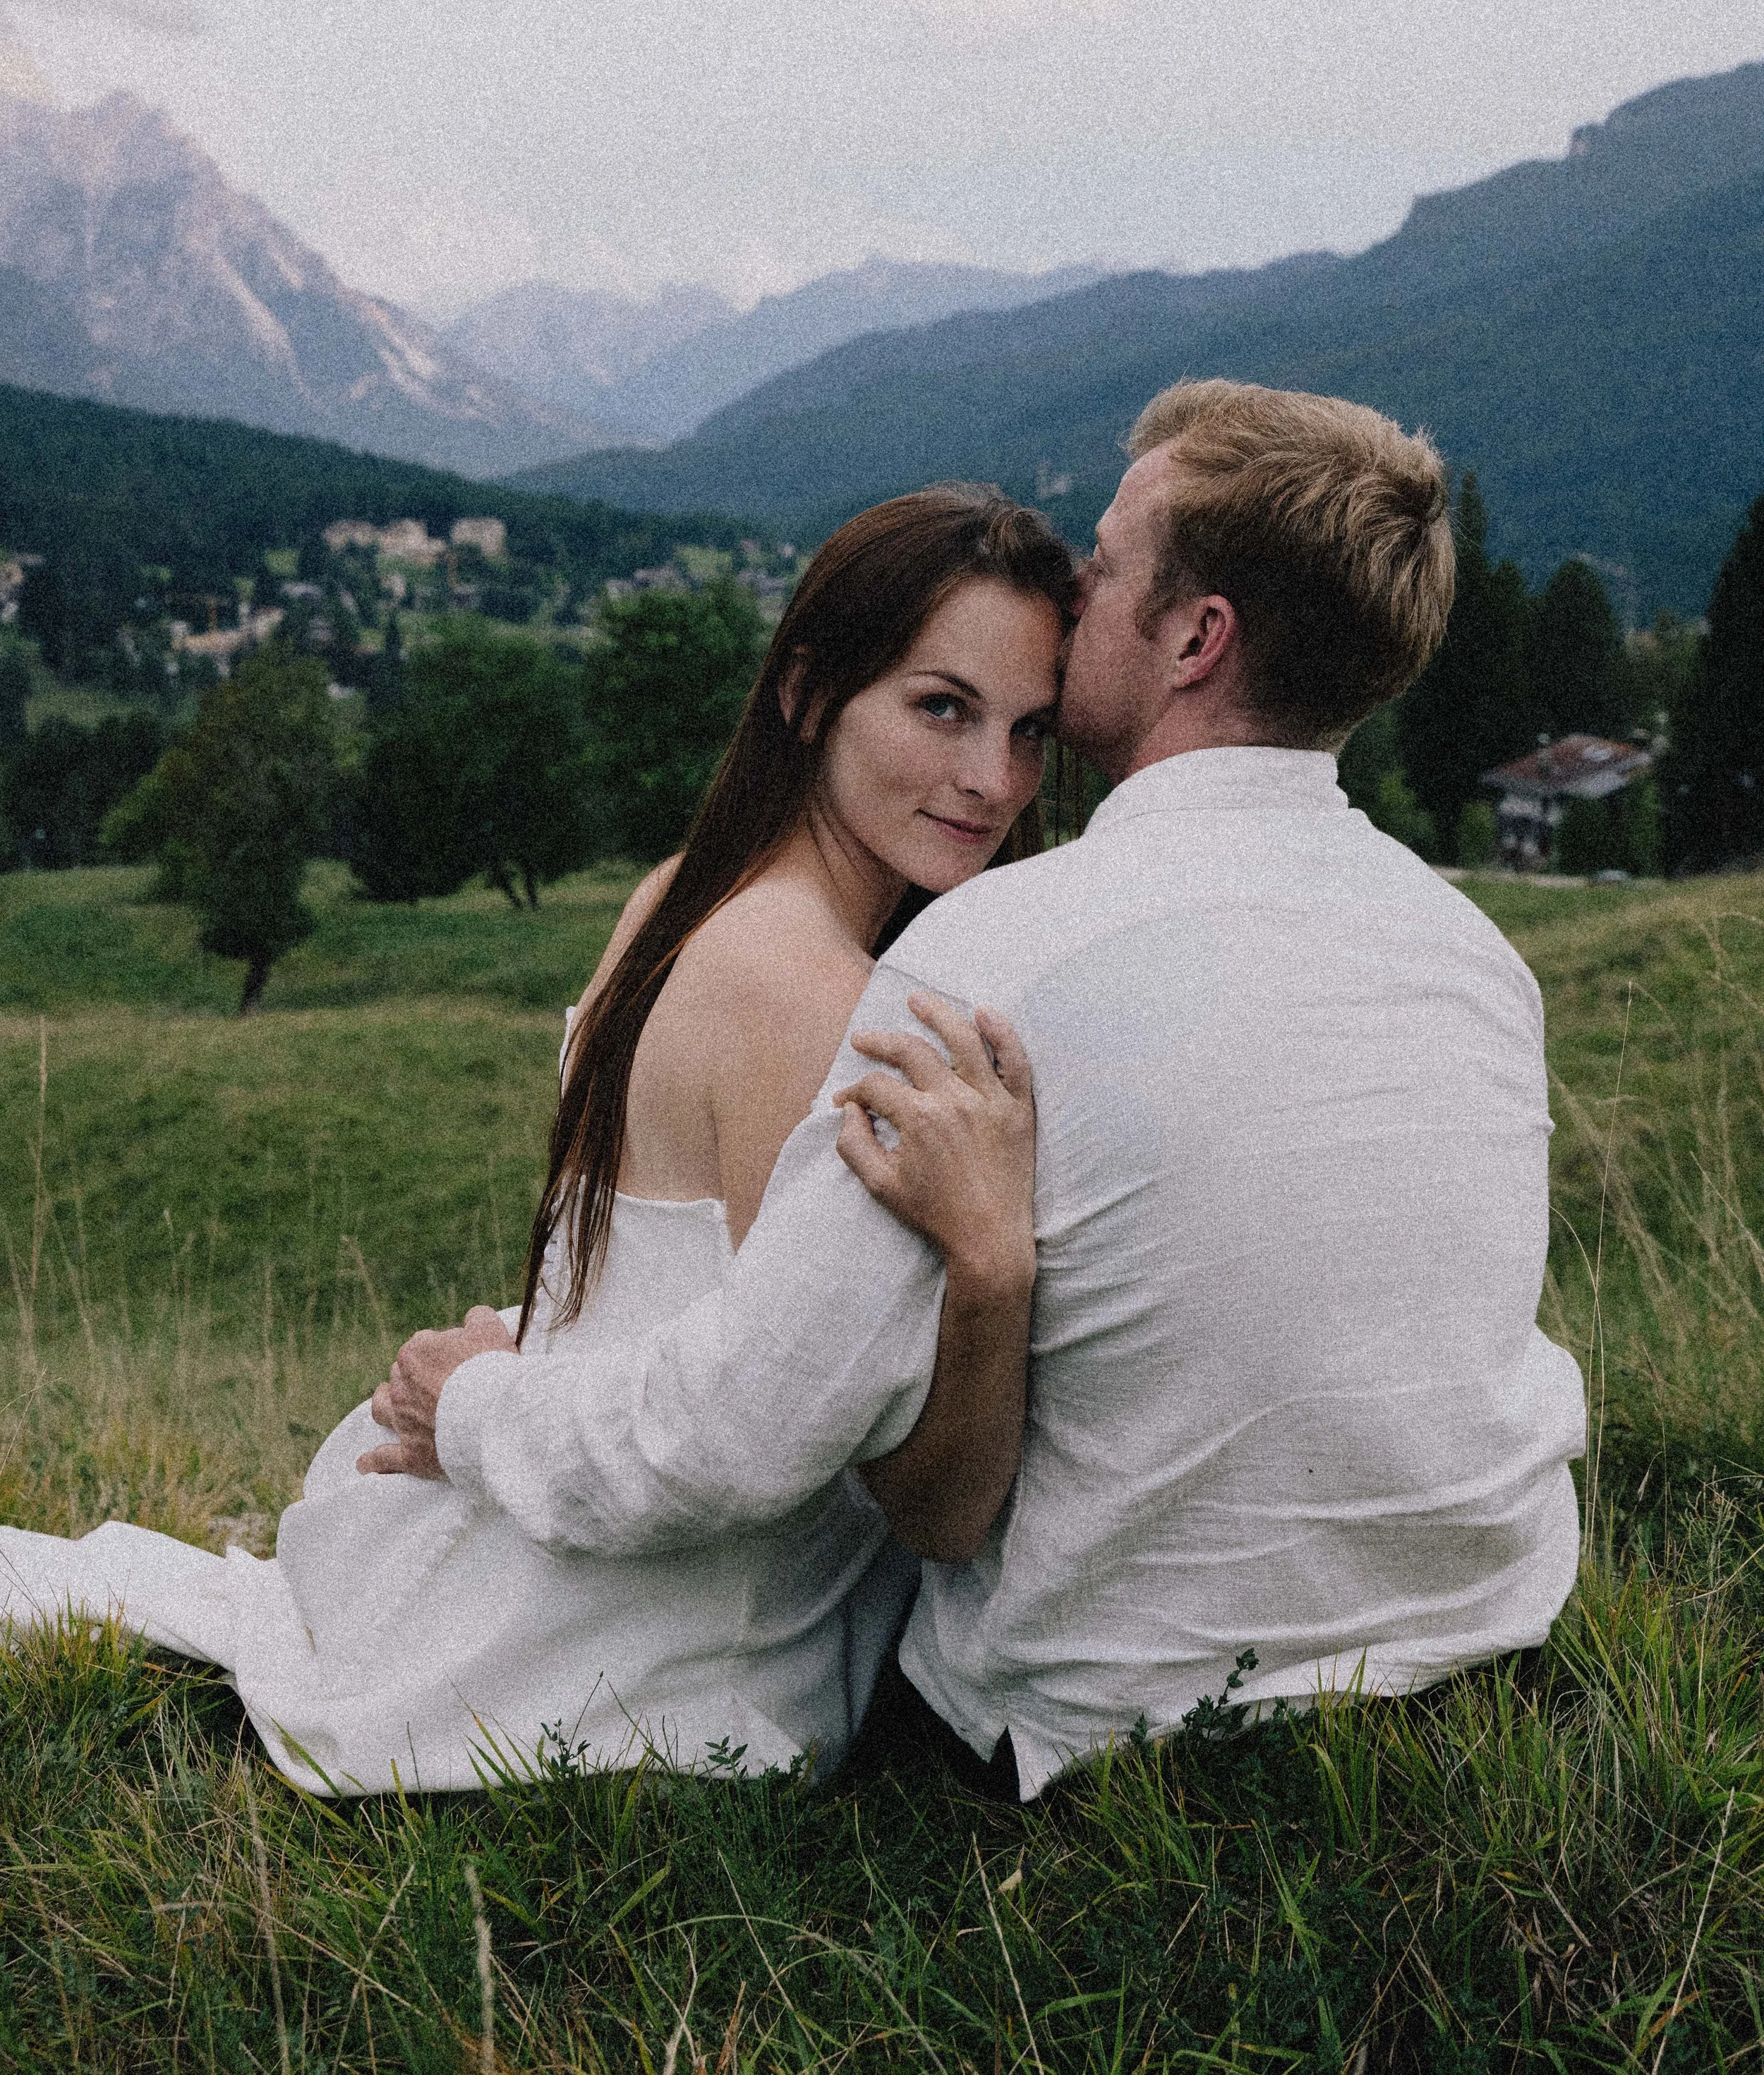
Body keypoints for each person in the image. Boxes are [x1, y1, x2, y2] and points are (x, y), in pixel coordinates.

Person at [375, 378, 1588, 1798]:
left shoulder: (996, 953)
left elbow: (746, 1433)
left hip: (1130, 1730)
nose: (1079, 584)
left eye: (1109, 559)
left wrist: (475, 1405)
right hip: (1484, 1654)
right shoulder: (1474, 952)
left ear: (1196, 637)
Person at [0, 487, 1073, 1794]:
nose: (993, 781)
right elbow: (848, 1471)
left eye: (1028, 730)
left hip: (569, 1532)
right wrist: (993, 1272)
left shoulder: (684, 892)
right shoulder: (816, 996)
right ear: (807, 695)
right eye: (941, 708)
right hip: (673, 1639)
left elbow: (699, 1303)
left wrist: (528, 1376)